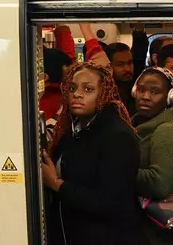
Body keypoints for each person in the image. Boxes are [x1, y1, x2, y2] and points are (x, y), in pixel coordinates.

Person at [42, 62, 142, 245]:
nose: (77, 94)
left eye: (88, 89)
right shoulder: (72, 130)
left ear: (103, 94)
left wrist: (57, 184)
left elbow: (109, 202)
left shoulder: (117, 136)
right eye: (72, 88)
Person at [131, 67, 173, 245]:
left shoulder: (166, 130)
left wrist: (116, 170)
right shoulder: (136, 122)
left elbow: (159, 184)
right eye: (141, 90)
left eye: (155, 92)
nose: (145, 96)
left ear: (170, 97)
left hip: (158, 232)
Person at [105, 42, 136, 115]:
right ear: (109, 67)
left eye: (130, 63)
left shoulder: (137, 88)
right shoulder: (105, 95)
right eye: (120, 65)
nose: (127, 69)